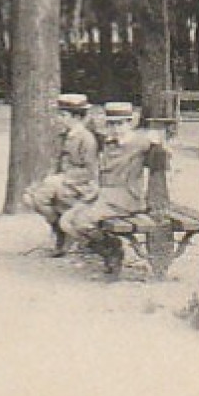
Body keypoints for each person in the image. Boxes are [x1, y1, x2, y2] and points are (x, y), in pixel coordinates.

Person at [60, 102, 165, 275]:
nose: (116, 128)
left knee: (82, 222)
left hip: (126, 197)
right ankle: (108, 247)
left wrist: (158, 143)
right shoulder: (110, 143)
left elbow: (162, 159)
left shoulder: (140, 142)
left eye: (120, 123)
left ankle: (113, 251)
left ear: (130, 123)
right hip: (104, 194)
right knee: (66, 222)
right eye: (112, 124)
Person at [22, 93, 99, 255]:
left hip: (79, 187)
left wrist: (62, 179)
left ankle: (63, 234)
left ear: (76, 117)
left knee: (42, 195)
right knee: (29, 197)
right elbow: (58, 164)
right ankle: (59, 229)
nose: (60, 119)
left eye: (63, 115)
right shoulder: (64, 136)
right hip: (62, 184)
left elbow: (91, 172)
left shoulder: (86, 139)